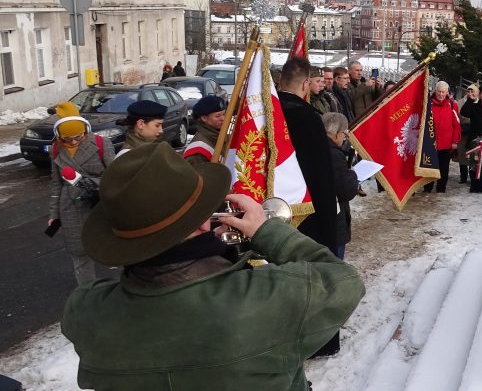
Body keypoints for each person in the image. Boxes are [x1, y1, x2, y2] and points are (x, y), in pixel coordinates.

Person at [61, 142, 365, 390]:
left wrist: (213, 252)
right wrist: (266, 232)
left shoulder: (85, 310)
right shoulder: (265, 299)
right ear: (203, 222)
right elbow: (343, 281)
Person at [277, 57, 344, 356]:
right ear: (305, 85)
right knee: (312, 276)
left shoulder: (265, 110)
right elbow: (320, 173)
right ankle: (318, 340)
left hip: (271, 209)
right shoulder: (306, 117)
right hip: (307, 211)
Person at [48, 102, 116, 284]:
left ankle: (125, 283)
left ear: (85, 130)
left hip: (99, 203)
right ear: (59, 136)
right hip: (71, 206)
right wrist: (54, 214)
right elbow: (56, 184)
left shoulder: (102, 144)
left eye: (78, 137)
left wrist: (88, 183)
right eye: (68, 139)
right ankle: (87, 290)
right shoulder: (54, 149)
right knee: (78, 251)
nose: (73, 142)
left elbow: (114, 177)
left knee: (111, 244)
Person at [322, 112, 359, 260]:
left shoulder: (314, 146)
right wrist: (353, 175)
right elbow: (345, 190)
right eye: (345, 134)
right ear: (336, 134)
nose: (345, 138)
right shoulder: (334, 154)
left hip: (319, 218)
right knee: (334, 263)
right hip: (333, 220)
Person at [423, 81, 461, 194]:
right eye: (439, 91)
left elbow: (456, 125)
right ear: (435, 91)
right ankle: (427, 188)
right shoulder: (428, 104)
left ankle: (441, 188)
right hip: (430, 143)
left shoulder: (452, 105)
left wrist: (455, 141)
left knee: (444, 169)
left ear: (447, 92)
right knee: (429, 168)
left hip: (446, 144)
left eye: (443, 92)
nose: (440, 94)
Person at [182, 95, 227, 165]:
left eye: (224, 114)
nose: (223, 119)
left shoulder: (221, 137)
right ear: (204, 118)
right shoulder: (197, 150)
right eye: (218, 116)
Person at [456, 84, 478, 184]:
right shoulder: (460, 102)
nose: (470, 93)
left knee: (474, 154)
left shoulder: (480, 103)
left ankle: (473, 175)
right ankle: (463, 176)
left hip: (474, 131)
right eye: (468, 91)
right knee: (462, 154)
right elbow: (457, 115)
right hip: (463, 130)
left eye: (472, 91)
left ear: (477, 93)